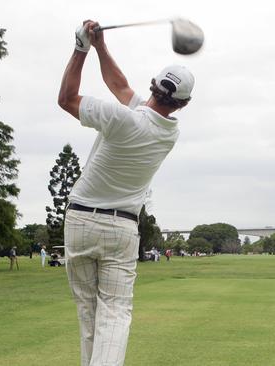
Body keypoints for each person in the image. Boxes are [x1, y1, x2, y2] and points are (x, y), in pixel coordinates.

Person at [58, 20, 194, 366]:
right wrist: (101, 46)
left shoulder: (123, 118)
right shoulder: (168, 132)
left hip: (80, 220)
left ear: (153, 85)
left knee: (89, 312)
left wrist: (80, 49)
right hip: (121, 229)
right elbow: (119, 85)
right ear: (183, 104)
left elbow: (66, 99)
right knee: (115, 313)